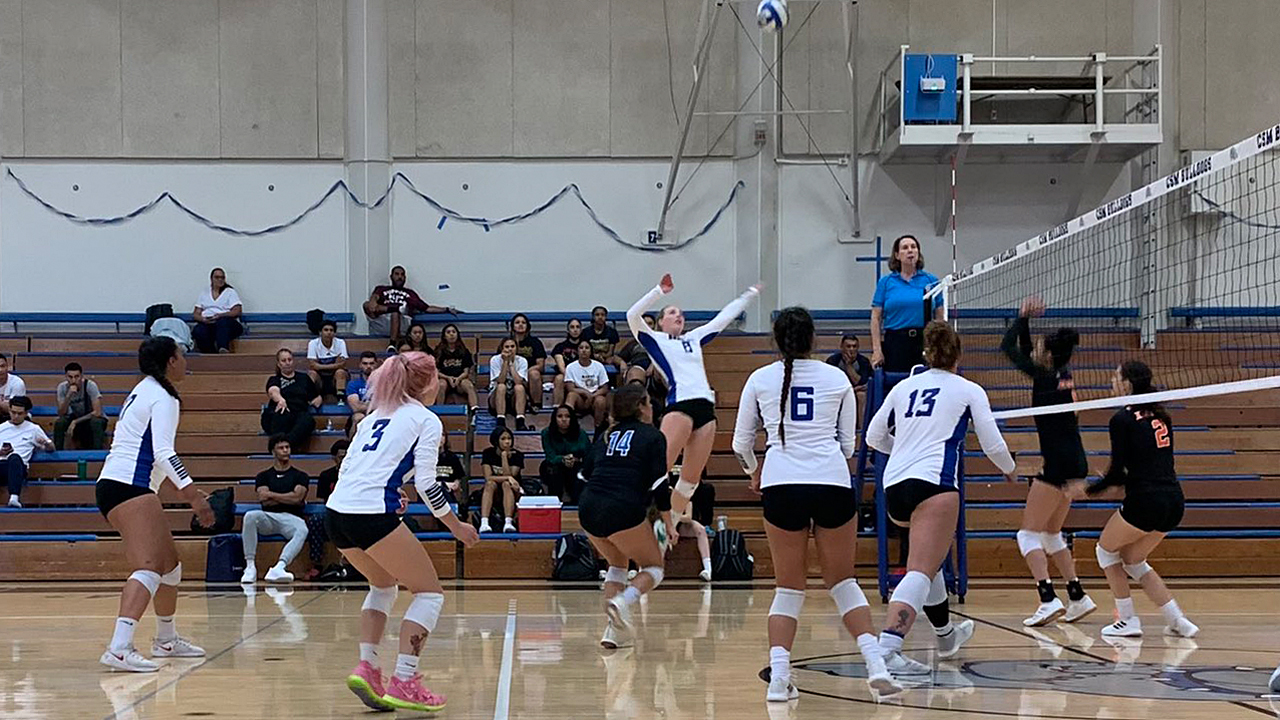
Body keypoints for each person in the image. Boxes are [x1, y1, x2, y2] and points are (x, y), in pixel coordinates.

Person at [732, 307, 898, 701]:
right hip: (831, 483)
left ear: (775, 340)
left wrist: (755, 470)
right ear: (812, 339)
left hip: (782, 484)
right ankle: (876, 664)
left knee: (788, 589)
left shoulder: (759, 379)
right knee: (843, 582)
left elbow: (740, 444)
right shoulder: (837, 376)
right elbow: (847, 446)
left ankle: (779, 679)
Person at [324, 350, 479, 712]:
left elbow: (351, 470)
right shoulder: (426, 420)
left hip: (338, 513)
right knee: (430, 594)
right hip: (370, 514)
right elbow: (427, 483)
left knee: (383, 585)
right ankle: (405, 679)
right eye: (437, 375)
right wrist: (455, 525)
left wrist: (392, 493)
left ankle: (368, 666)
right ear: (427, 383)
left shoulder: (374, 416)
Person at [865, 321, 1015, 677]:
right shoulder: (968, 389)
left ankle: (947, 636)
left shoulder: (904, 386)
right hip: (935, 483)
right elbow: (992, 443)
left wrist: (899, 450)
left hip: (895, 484)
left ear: (926, 355)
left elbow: (873, 436)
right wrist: (1010, 470)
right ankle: (888, 647)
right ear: (958, 355)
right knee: (920, 568)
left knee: (927, 560)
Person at [95, 337, 215, 672]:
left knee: (170, 567)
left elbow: (152, 452)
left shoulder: (144, 390)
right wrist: (192, 495)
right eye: (181, 355)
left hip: (122, 485)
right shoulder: (163, 397)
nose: (185, 361)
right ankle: (119, 647)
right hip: (127, 486)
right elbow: (163, 452)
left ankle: (165, 639)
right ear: (170, 361)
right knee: (148, 567)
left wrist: (181, 487)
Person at [1067, 360, 1198, 640]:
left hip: (1145, 501)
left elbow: (1117, 472)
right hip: (1174, 500)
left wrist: (1088, 489)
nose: (1111, 382)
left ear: (1127, 383)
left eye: (1115, 377)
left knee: (1105, 551)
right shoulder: (1162, 415)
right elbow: (1147, 463)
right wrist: (1116, 479)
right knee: (1134, 560)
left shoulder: (1121, 419)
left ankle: (1127, 620)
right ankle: (1178, 619)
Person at [627, 273, 761, 521]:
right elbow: (632, 316)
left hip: (706, 410)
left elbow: (724, 318)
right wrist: (659, 290)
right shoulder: (654, 340)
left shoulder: (694, 338)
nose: (678, 315)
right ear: (660, 322)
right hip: (680, 406)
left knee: (690, 481)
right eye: (671, 313)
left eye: (680, 313)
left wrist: (750, 294)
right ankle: (633, 518)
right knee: (658, 470)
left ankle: (667, 526)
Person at [1002, 296, 1096, 627]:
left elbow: (1009, 348)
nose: (1035, 349)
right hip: (1076, 460)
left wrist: (1020, 318)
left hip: (1057, 463)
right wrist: (1026, 323)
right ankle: (1077, 596)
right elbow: (1027, 350)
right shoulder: (1061, 374)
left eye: (1040, 347)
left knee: (1027, 535)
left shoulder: (1044, 376)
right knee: (1052, 534)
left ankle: (1047, 598)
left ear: (1048, 354)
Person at [577, 383, 670, 650]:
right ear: (641, 407)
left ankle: (612, 633)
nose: (652, 408)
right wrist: (668, 521)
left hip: (589, 507)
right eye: (649, 403)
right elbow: (660, 486)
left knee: (617, 563)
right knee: (654, 568)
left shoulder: (606, 435)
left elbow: (584, 474)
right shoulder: (653, 436)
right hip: (620, 507)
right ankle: (623, 601)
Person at [240, 436, 311, 585]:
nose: (285, 450)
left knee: (302, 529)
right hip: (269, 517)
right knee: (250, 516)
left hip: (291, 517)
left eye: (287, 447)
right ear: (273, 452)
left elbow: (297, 498)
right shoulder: (263, 476)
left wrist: (272, 495)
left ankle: (280, 567)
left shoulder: (301, 475)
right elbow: (263, 499)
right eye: (281, 448)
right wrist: (288, 497)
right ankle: (250, 567)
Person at [870, 235, 944, 372]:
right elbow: (875, 317)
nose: (910, 250)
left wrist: (939, 346)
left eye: (913, 247)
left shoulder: (931, 280)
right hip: (896, 342)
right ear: (897, 255)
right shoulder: (886, 282)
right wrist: (877, 350)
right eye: (905, 248)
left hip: (924, 340)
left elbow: (940, 317)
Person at [363, 266, 457, 349]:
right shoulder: (381, 289)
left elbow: (427, 308)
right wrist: (373, 301)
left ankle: (392, 344)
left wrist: (446, 309)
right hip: (382, 321)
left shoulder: (410, 293)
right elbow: (373, 300)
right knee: (366, 304)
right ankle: (396, 309)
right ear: (391, 276)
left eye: (402, 275)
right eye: (397, 274)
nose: (399, 277)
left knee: (395, 313)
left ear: (405, 278)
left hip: (401, 322)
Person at [1, 396, 54, 508]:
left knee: (14, 457)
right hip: (2, 464)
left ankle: (14, 497)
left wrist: (46, 443)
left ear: (25, 414)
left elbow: (51, 448)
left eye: (19, 414)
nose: (15, 416)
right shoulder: (1, 428)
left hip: (19, 466)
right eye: (13, 412)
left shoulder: (33, 429)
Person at [261, 349, 321, 450]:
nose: (287, 363)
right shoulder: (274, 379)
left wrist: (318, 400)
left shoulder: (304, 378)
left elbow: (315, 397)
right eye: (284, 360)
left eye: (290, 359)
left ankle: (286, 446)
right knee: (281, 414)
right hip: (281, 412)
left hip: (299, 413)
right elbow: (273, 391)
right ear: (279, 364)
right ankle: (279, 447)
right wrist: (281, 400)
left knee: (308, 420)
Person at [307, 439, 349, 579]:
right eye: (341, 457)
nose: (344, 460)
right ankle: (316, 563)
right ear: (334, 458)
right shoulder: (326, 476)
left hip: (353, 511)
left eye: (347, 456)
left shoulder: (357, 474)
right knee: (316, 519)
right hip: (332, 511)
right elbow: (322, 501)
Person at [540, 405, 590, 503]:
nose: (564, 419)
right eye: (560, 416)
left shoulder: (581, 434)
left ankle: (576, 499)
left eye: (567, 416)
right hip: (555, 466)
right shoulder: (546, 433)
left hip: (576, 465)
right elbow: (550, 456)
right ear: (554, 419)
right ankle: (554, 500)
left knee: (578, 471)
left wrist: (575, 460)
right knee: (550, 467)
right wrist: (563, 459)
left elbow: (588, 456)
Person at [53, 362, 109, 450]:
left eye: (77, 377)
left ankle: (97, 454)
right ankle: (57, 453)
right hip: (74, 418)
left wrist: (75, 421)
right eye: (70, 377)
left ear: (82, 376)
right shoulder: (62, 387)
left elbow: (97, 412)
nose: (74, 380)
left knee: (96, 422)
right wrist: (68, 396)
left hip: (90, 418)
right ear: (66, 377)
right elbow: (61, 413)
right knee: (60, 422)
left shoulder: (90, 386)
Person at [479, 426, 524, 533]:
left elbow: (511, 475)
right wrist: (508, 477)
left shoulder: (517, 455)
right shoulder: (488, 453)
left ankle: (508, 523)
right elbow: (488, 477)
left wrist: (504, 457)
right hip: (495, 492)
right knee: (490, 484)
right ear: (496, 441)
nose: (507, 442)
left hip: (513, 491)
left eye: (509, 438)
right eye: (503, 439)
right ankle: (484, 523)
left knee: (506, 484)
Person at [192, 267, 244, 354]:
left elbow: (237, 310)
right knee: (198, 330)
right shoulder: (204, 293)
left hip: (227, 323)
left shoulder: (230, 292)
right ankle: (209, 353)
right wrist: (203, 319)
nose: (220, 280)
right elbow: (196, 313)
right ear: (211, 279)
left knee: (222, 323)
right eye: (217, 277)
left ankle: (223, 348)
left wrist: (221, 315)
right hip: (209, 323)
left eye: (222, 277)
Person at [563, 340, 611, 426]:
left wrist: (592, 396)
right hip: (580, 398)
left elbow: (605, 388)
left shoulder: (599, 366)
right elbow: (570, 388)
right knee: (571, 395)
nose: (584, 350)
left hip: (595, 397)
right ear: (577, 351)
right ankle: (569, 425)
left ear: (591, 351)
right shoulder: (570, 367)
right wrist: (585, 393)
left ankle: (598, 428)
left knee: (601, 400)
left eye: (587, 348)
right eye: (581, 348)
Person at [434, 324, 478, 413]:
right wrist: (448, 378)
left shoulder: (464, 351)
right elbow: (436, 372)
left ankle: (474, 411)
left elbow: (466, 372)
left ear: (457, 335)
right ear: (444, 336)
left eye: (454, 332)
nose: (451, 334)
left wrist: (458, 379)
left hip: (460, 379)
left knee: (469, 385)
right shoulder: (438, 351)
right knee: (441, 385)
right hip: (445, 379)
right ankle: (439, 411)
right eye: (448, 332)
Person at [488, 338, 529, 430]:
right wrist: (505, 362)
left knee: (519, 388)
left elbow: (518, 381)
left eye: (512, 346)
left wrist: (511, 364)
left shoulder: (522, 361)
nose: (510, 349)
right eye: (507, 347)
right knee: (501, 387)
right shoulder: (495, 359)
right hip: (496, 397)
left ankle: (520, 421)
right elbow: (500, 380)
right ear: (502, 348)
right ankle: (500, 421)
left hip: (514, 399)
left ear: (516, 348)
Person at [510, 313, 547, 412]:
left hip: (529, 376)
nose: (521, 325)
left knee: (534, 374)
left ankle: (536, 405)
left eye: (523, 322)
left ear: (528, 326)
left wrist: (527, 371)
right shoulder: (508, 343)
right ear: (512, 326)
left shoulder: (535, 342)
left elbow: (541, 365)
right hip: (512, 374)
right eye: (517, 322)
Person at [307, 319, 350, 402]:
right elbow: (312, 365)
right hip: (320, 379)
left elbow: (342, 364)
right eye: (326, 330)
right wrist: (335, 365)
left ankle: (341, 400)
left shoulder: (340, 343)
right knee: (311, 373)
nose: (329, 332)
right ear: (320, 332)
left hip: (335, 378)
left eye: (331, 330)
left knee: (340, 372)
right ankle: (311, 399)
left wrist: (319, 366)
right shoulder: (313, 343)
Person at [582, 306, 626, 378]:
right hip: (591, 358)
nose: (600, 317)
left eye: (602, 315)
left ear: (606, 317)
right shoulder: (586, 332)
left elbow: (610, 352)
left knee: (619, 362)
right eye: (597, 315)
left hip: (607, 358)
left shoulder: (612, 332)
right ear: (593, 317)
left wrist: (602, 357)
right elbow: (585, 349)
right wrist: (595, 356)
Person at [550, 319, 585, 406]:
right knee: (559, 378)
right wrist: (574, 380)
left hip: (584, 375)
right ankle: (557, 408)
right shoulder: (560, 347)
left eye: (577, 327)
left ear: (581, 330)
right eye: (572, 327)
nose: (575, 330)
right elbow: (562, 368)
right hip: (567, 376)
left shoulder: (586, 347)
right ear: (568, 330)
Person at [345, 352, 379, 438]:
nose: (368, 366)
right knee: (358, 417)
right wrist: (375, 404)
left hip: (379, 415)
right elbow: (356, 407)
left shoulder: (383, 384)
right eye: (365, 363)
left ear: (376, 365)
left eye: (371, 363)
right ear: (360, 365)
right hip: (361, 415)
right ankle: (352, 448)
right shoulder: (353, 384)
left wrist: (364, 404)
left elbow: (387, 405)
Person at [617, 313, 658, 385]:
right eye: (644, 324)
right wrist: (621, 362)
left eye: (650, 324)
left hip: (658, 369)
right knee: (635, 376)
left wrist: (654, 365)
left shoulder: (661, 342)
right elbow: (616, 357)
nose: (647, 326)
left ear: (654, 326)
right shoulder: (633, 343)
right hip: (638, 368)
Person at [435, 433, 468, 521]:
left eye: (442, 435)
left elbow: (457, 482)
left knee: (444, 491)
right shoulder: (425, 458)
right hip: (432, 493)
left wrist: (451, 485)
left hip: (449, 492)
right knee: (440, 488)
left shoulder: (452, 458)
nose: (440, 438)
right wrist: (442, 484)